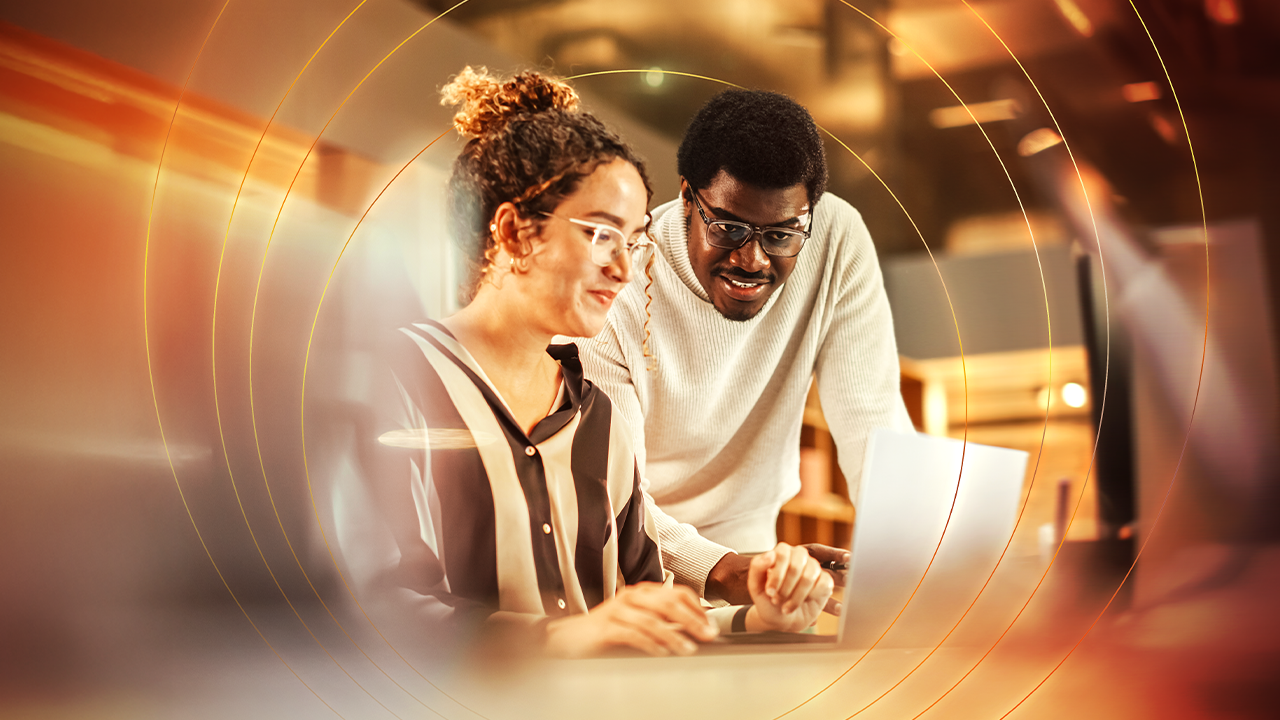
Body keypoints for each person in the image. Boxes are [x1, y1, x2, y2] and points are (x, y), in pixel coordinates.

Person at [339, 68, 833, 658]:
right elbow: (375, 611)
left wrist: (756, 619)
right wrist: (561, 638)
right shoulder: (391, 384)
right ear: (515, 233)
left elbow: (649, 608)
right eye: (602, 234)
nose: (624, 270)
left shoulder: (600, 421)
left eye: (634, 240)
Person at [576, 89, 916, 605]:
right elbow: (613, 497)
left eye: (781, 235)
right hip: (630, 581)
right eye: (730, 228)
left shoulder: (836, 239)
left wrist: (911, 558)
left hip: (756, 568)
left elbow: (873, 419)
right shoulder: (616, 283)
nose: (753, 260)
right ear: (688, 198)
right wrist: (721, 570)